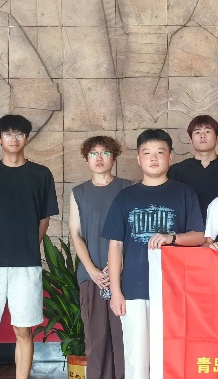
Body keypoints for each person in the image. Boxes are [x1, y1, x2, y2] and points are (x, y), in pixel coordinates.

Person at [103, 129, 206, 379]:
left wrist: (172, 238)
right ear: (138, 159)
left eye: (160, 152)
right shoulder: (125, 198)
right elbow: (115, 247)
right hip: (134, 290)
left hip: (174, 291)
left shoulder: (184, 193)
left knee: (169, 357)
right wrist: (116, 292)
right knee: (137, 359)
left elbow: (199, 236)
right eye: (147, 153)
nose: (153, 158)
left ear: (170, 157)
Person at [0, 114, 59, 379]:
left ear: (26, 138)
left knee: (24, 330)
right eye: (8, 134)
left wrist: (28, 246)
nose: (14, 138)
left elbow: (44, 219)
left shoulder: (41, 175)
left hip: (26, 264)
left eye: (19, 133)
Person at [68, 136, 132, 379]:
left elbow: (133, 232)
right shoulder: (79, 192)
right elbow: (75, 234)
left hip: (125, 276)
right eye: (93, 153)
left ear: (114, 158)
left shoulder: (128, 188)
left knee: (124, 338)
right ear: (86, 159)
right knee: (96, 340)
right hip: (91, 277)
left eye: (105, 153)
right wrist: (92, 270)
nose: (99, 158)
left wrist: (118, 266)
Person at [168, 115, 218, 219]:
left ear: (217, 139)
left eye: (208, 131)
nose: (202, 135)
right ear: (191, 140)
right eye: (197, 132)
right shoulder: (176, 171)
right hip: (189, 228)